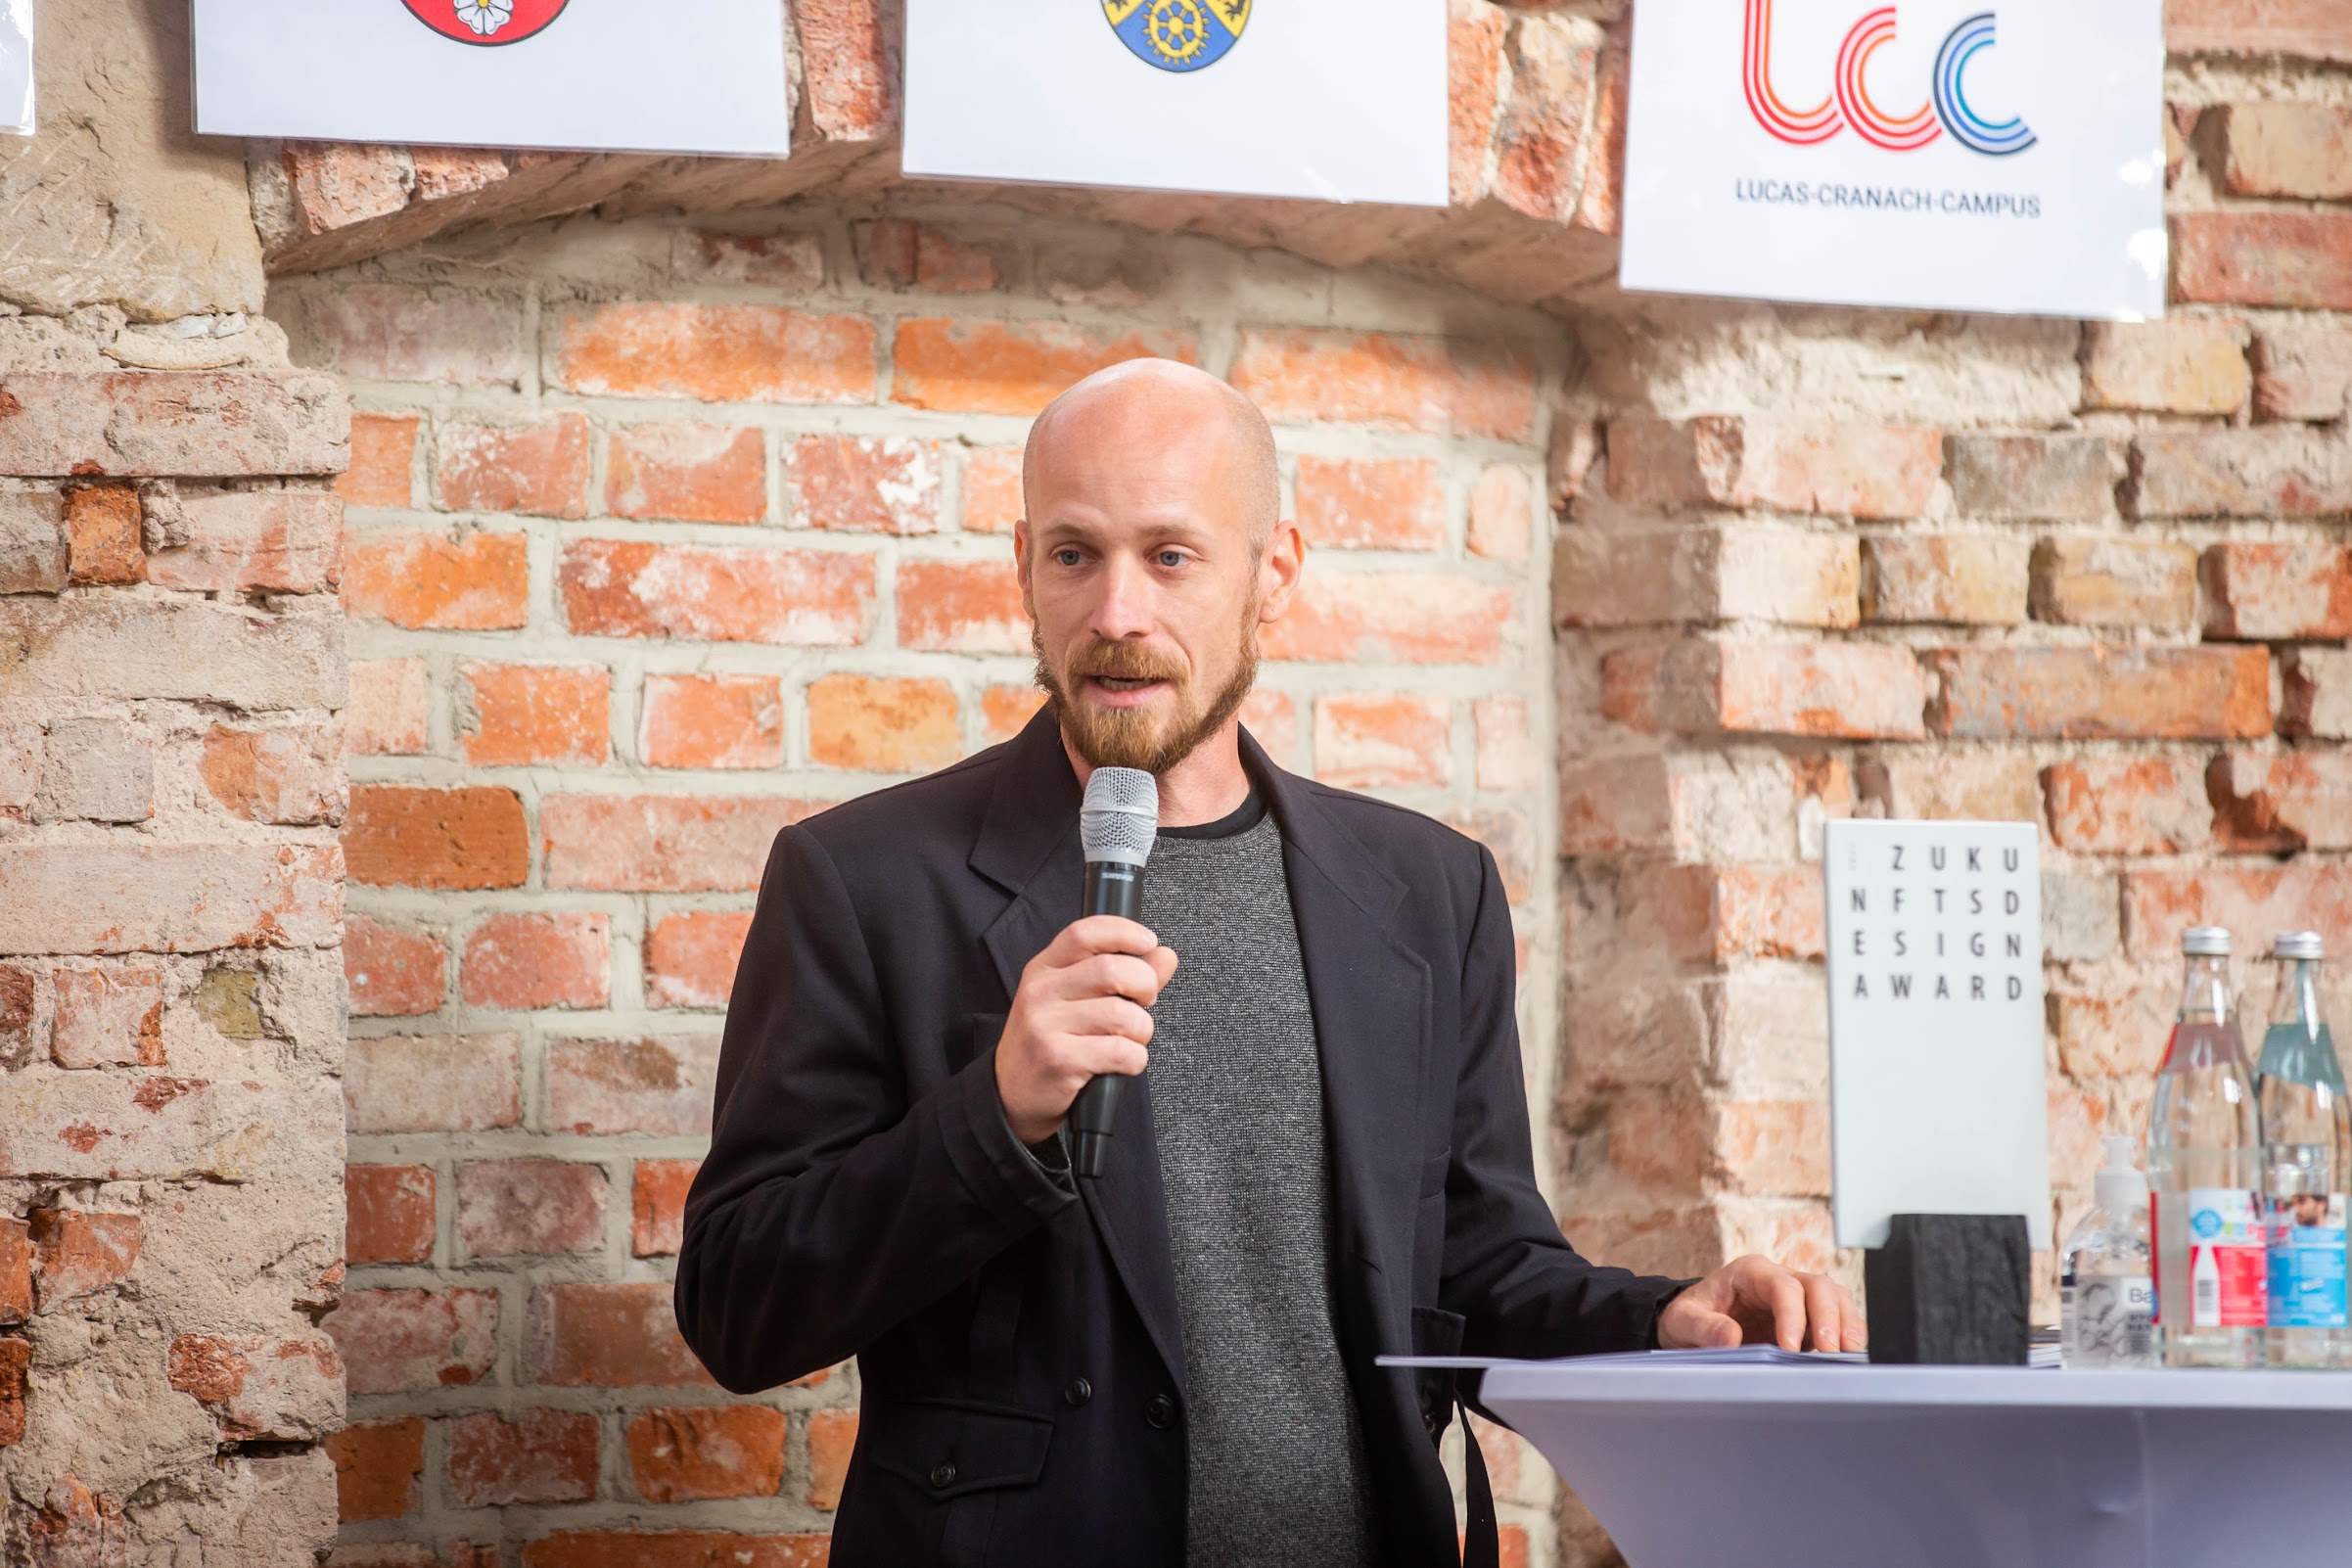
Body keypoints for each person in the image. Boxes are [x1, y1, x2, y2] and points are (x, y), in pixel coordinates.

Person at [675, 358, 1865, 1567]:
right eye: (1075, 555)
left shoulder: (1424, 891)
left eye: (1172, 556)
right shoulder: (867, 880)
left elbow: (1478, 1261)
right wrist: (993, 1118)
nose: (1118, 614)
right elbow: (737, 1306)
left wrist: (1661, 1322)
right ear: (1022, 567)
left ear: (1274, 570)